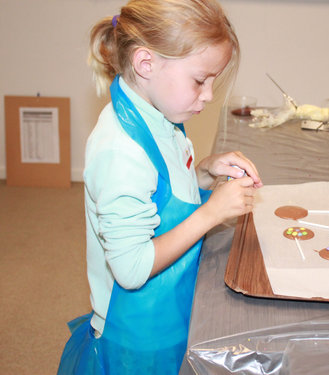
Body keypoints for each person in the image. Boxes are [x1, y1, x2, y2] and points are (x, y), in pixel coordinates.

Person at [57, 0, 263, 374]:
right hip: (138, 339)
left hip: (169, 309)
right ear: (146, 63)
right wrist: (210, 212)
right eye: (200, 80)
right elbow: (131, 269)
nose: (209, 94)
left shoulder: (160, 115)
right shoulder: (120, 152)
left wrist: (203, 171)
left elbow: (164, 190)